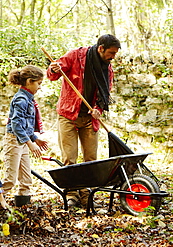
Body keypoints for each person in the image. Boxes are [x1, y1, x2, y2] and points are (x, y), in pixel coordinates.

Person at [46, 34, 121, 208]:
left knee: (91, 160)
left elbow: (105, 94)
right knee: (69, 159)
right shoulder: (76, 56)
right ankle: (72, 195)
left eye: (115, 54)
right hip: (68, 115)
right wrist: (53, 69)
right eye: (111, 53)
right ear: (101, 48)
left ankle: (87, 196)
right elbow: (53, 74)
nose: (113, 57)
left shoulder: (107, 69)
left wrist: (98, 109)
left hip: (89, 119)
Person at [1, 65, 49, 207]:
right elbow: (16, 125)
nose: (39, 87)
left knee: (26, 178)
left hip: (23, 141)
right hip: (14, 141)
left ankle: (23, 207)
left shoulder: (28, 99)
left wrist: (35, 138)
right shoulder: (21, 99)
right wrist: (30, 142)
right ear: (29, 81)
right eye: (38, 83)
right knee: (10, 179)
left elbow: (25, 125)